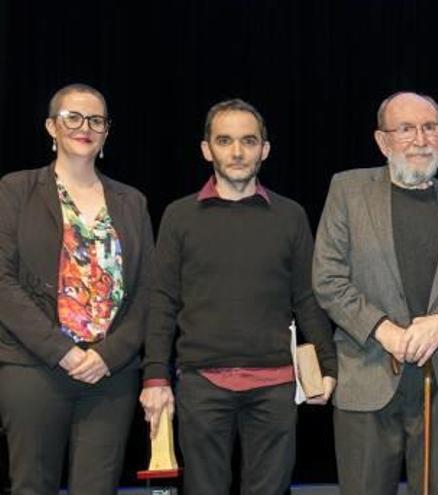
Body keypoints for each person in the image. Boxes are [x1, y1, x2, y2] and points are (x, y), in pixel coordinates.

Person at [139, 98, 337, 495]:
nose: (236, 151)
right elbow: (162, 301)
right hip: (202, 383)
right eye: (225, 140)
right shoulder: (179, 216)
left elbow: (307, 296)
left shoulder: (290, 215)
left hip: (276, 385)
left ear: (264, 150)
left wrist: (328, 366)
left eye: (248, 141)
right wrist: (155, 376)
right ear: (206, 149)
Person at [312, 91, 438, 495]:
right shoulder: (347, 190)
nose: (420, 139)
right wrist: (384, 330)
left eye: (430, 127)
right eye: (406, 129)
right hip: (367, 374)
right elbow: (327, 277)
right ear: (382, 141)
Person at [0, 83, 154, 494]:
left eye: (96, 120)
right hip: (34, 367)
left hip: (110, 374)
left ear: (106, 133)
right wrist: (62, 351)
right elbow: (3, 284)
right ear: (52, 126)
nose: (84, 127)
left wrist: (109, 354)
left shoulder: (132, 202)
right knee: (32, 486)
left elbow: (147, 294)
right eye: (73, 117)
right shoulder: (15, 190)